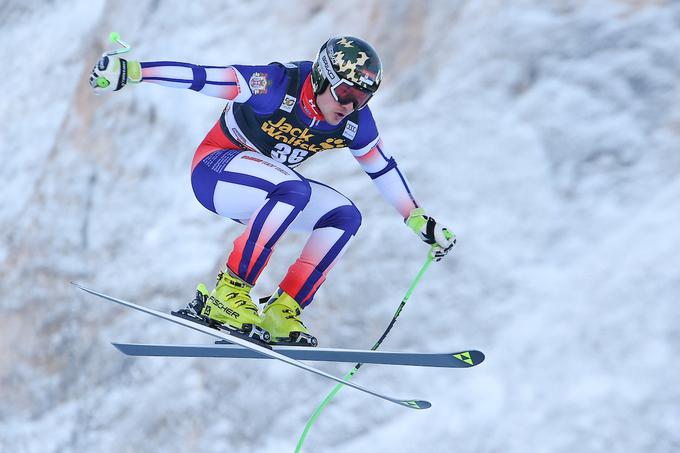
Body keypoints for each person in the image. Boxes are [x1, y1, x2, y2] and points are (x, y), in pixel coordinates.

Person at [89, 35, 455, 346]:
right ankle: (228, 294)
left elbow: (382, 166)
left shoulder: (353, 122)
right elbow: (202, 78)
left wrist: (416, 219)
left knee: (344, 216)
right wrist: (134, 72)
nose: (350, 106)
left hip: (268, 194)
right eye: (345, 93)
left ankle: (282, 312)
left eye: (363, 98)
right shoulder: (277, 84)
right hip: (216, 170)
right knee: (293, 188)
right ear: (323, 78)